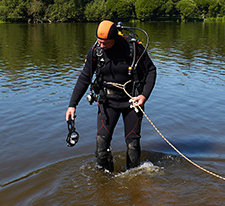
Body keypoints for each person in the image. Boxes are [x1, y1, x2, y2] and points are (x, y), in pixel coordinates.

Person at [66, 20, 157, 172]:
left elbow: (151, 71)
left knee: (132, 144)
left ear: (115, 39)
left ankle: (133, 177)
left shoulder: (133, 48)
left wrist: (144, 96)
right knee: (101, 144)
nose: (101, 46)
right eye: (99, 42)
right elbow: (84, 77)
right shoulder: (96, 51)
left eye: (106, 43)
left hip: (132, 102)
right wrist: (72, 105)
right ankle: (106, 181)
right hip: (107, 102)